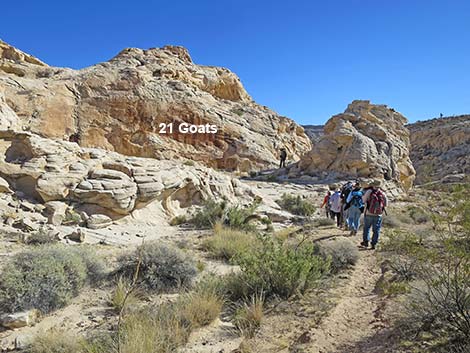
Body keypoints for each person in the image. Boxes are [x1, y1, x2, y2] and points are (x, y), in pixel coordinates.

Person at [361, 180, 388, 250]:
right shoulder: (382, 193)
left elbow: (363, 200)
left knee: (366, 228)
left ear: (373, 185)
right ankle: (374, 244)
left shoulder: (369, 192)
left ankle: (366, 242)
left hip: (368, 213)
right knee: (376, 230)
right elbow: (385, 204)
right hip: (378, 215)